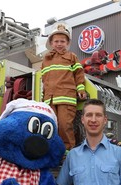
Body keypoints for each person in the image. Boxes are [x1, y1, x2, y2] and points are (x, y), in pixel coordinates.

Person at [41, 21, 87, 151]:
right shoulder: (46, 59)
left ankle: (68, 151)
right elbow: (44, 79)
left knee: (64, 125)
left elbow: (79, 73)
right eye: (56, 41)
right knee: (51, 125)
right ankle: (52, 151)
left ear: (67, 43)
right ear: (51, 43)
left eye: (62, 41)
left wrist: (81, 88)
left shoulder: (72, 56)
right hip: (49, 99)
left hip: (66, 97)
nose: (59, 44)